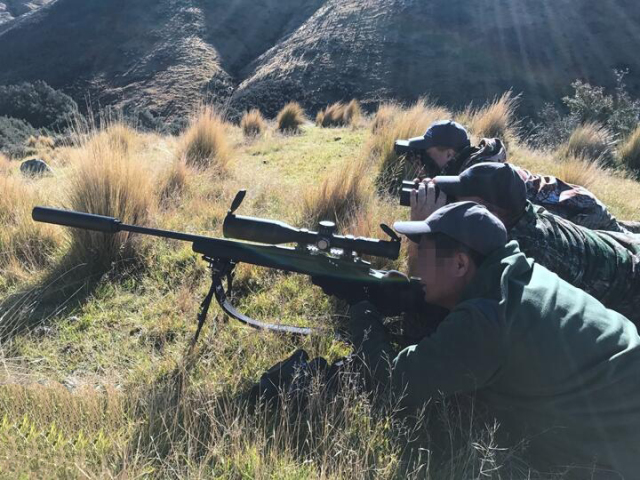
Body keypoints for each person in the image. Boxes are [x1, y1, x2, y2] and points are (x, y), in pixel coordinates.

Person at [349, 201, 640, 477]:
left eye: (423, 254)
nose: (414, 264)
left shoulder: (488, 321)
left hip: (619, 451)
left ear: (461, 264)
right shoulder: (518, 271)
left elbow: (394, 382)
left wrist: (362, 309)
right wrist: (405, 299)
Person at [411, 162, 640, 326]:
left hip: (630, 295)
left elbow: (464, 313)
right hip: (624, 251)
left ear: (490, 211)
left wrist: (425, 229)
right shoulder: (520, 212)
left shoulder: (521, 251)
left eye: (458, 200)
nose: (450, 204)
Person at [398, 120, 640, 233]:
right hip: (578, 202)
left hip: (579, 215)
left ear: (449, 153)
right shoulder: (477, 167)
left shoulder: (477, 184)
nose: (425, 161)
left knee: (627, 245)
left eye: (429, 154)